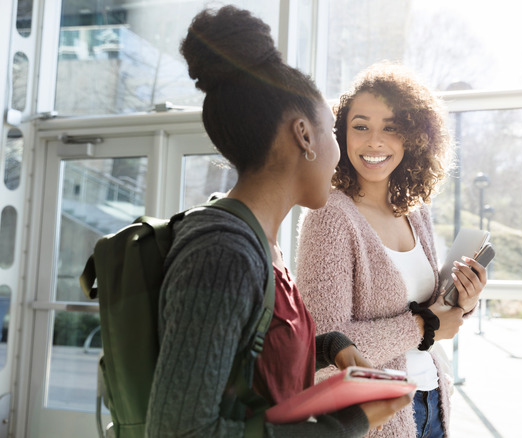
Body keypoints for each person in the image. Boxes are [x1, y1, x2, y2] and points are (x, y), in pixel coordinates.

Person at [145, 7, 411, 437]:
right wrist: (345, 426)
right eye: (332, 133)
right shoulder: (222, 253)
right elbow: (181, 431)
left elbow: (259, 359)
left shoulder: (261, 245)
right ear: (304, 135)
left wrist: (332, 348)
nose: (340, 153)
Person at [296, 63, 488, 438]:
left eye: (391, 127)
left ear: (414, 138)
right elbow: (322, 347)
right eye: (361, 126)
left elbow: (433, 307)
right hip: (377, 419)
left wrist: (465, 298)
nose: (374, 142)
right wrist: (423, 326)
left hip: (434, 402)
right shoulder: (329, 216)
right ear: (340, 134)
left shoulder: (416, 212)